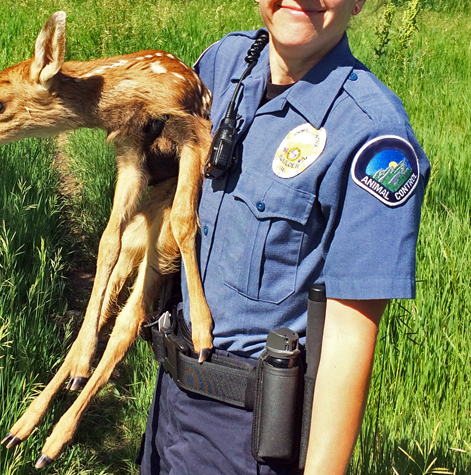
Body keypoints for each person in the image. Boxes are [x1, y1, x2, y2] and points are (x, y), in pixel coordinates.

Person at [138, 0, 430, 474]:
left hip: (246, 437)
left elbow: (349, 339)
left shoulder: (374, 138)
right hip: (168, 402)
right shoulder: (222, 63)